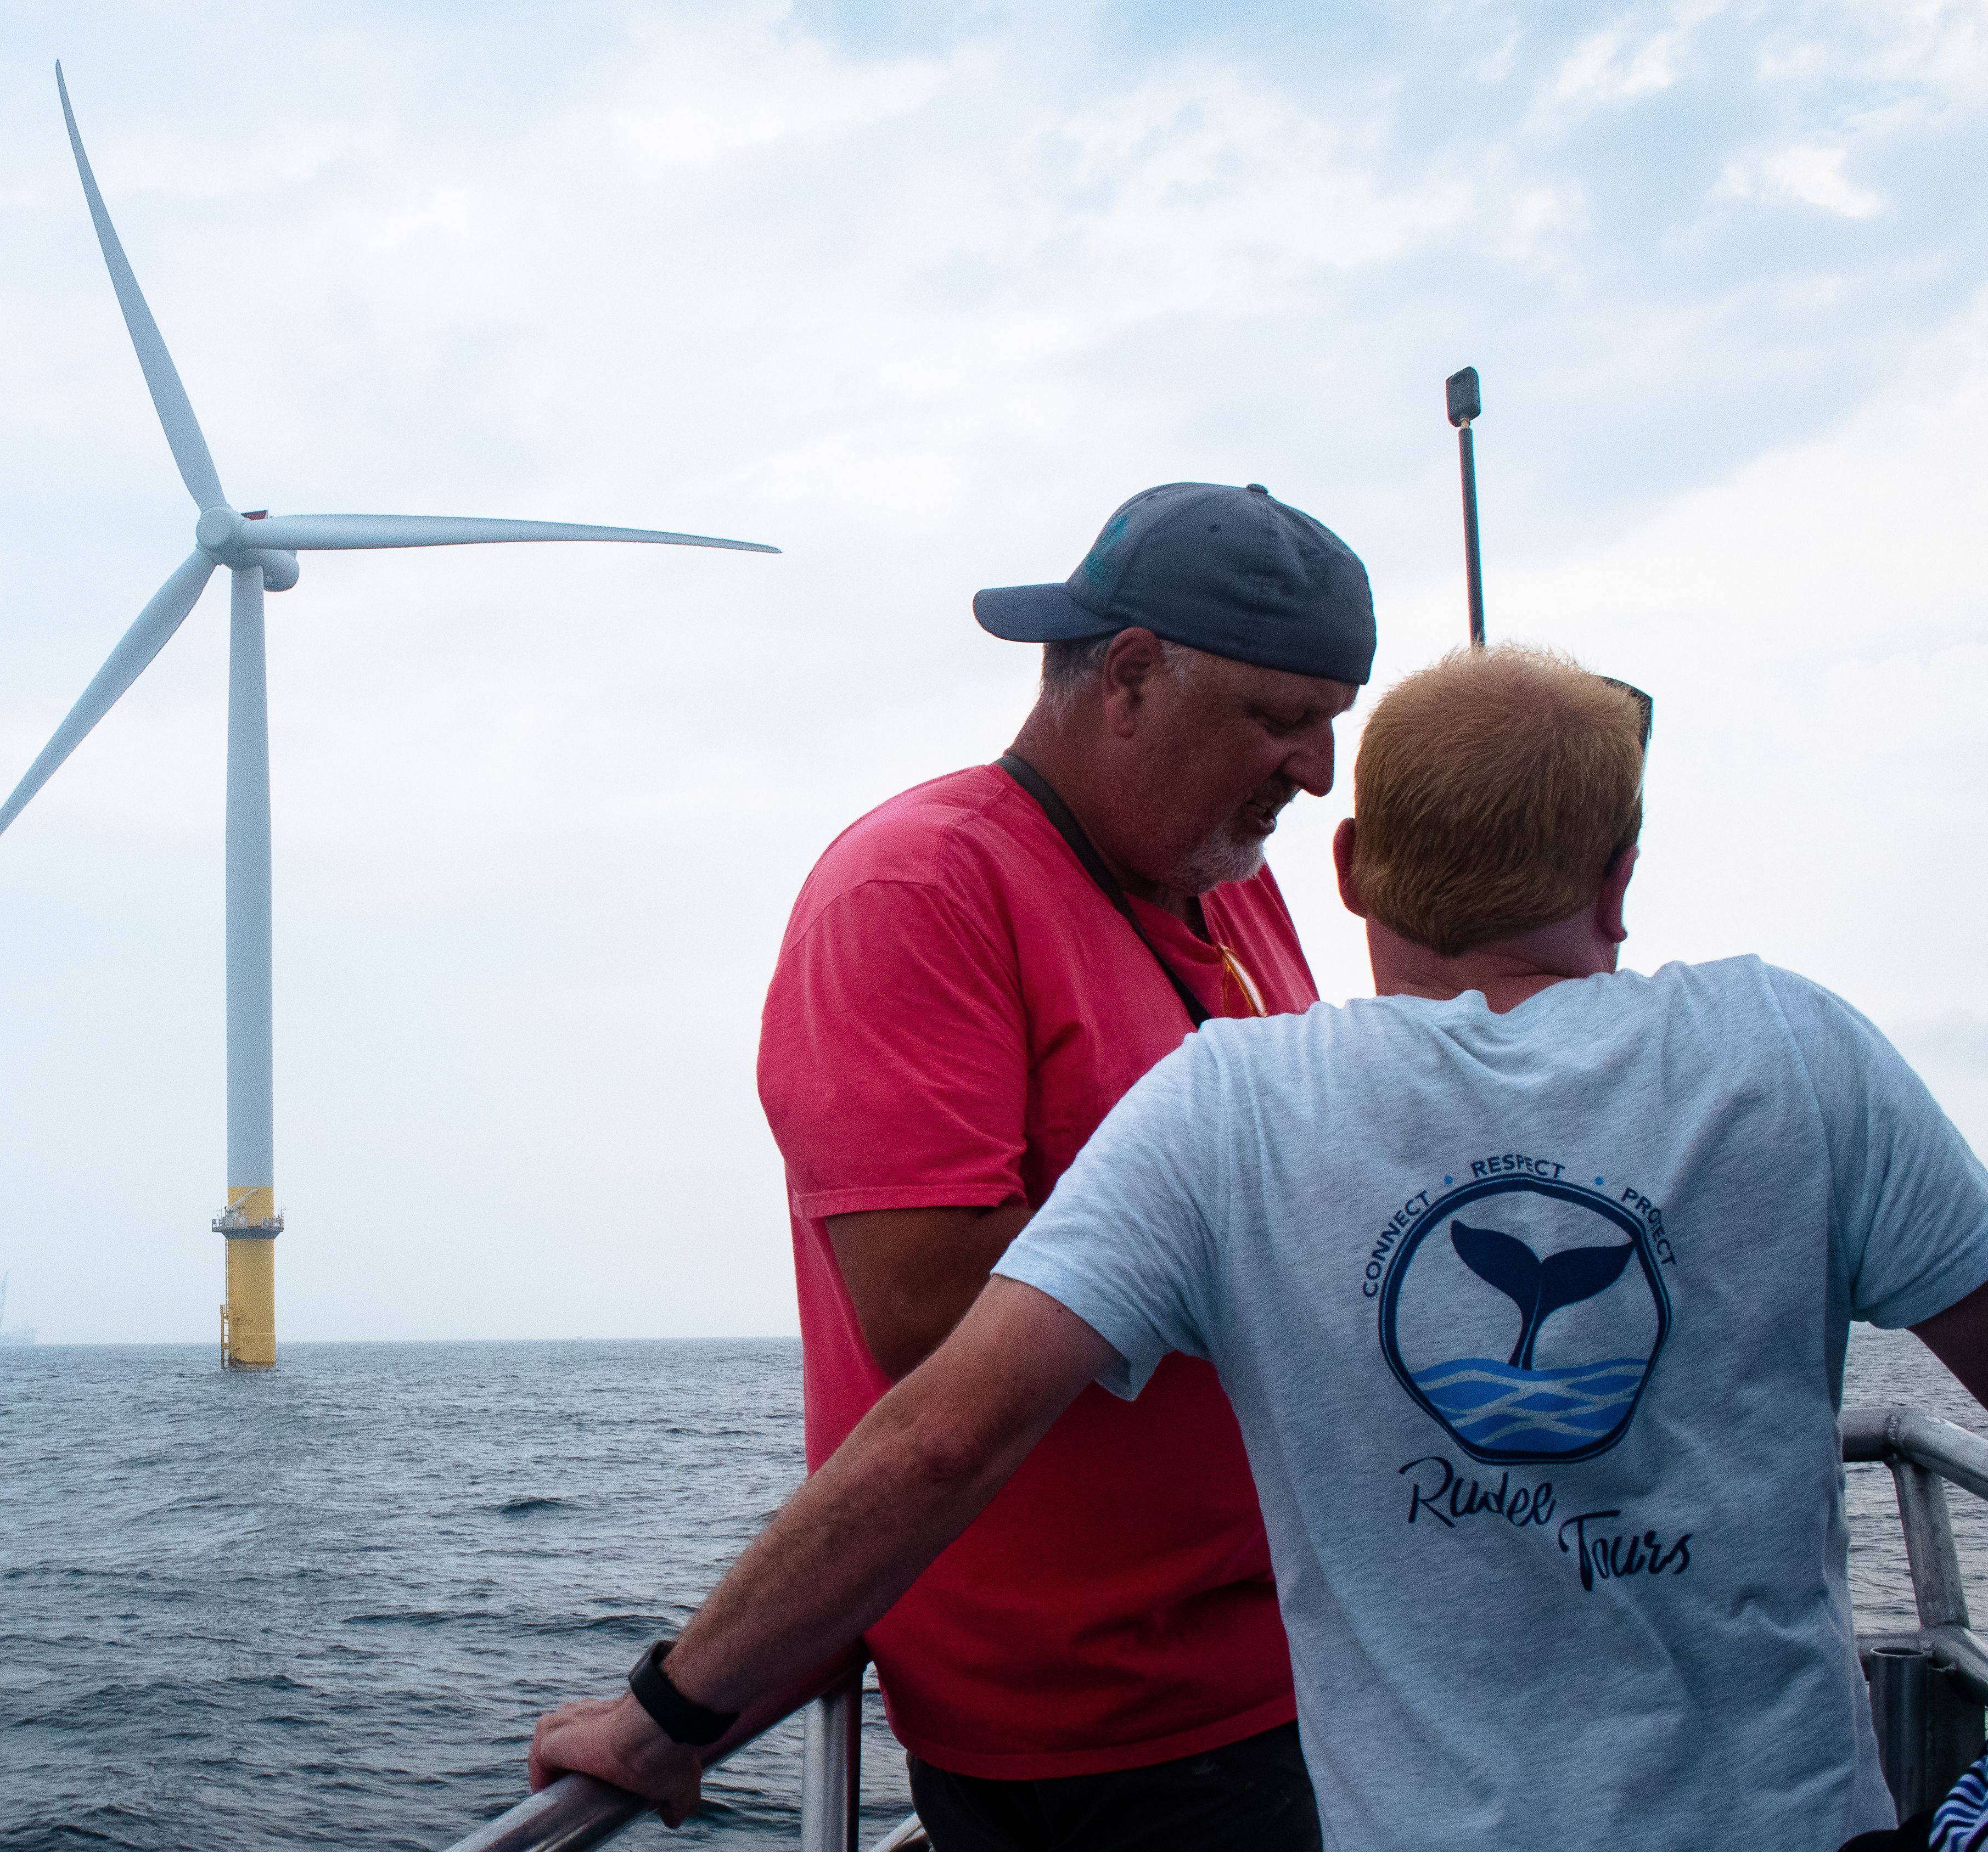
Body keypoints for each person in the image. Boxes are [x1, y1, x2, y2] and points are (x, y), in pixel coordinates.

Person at [539, 646, 1988, 1851]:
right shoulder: (1799, 1052)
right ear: (1618, 881)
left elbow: (938, 1441)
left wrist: (669, 1715)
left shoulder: (1239, 1104)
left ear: (1350, 870)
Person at [755, 481, 1368, 1847]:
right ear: (1134, 677)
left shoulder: (1232, 883)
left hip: (1305, 1657)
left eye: (1336, 720)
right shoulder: (918, 892)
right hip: (1097, 1730)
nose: (1321, 771)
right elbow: (927, 1312)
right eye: (1284, 719)